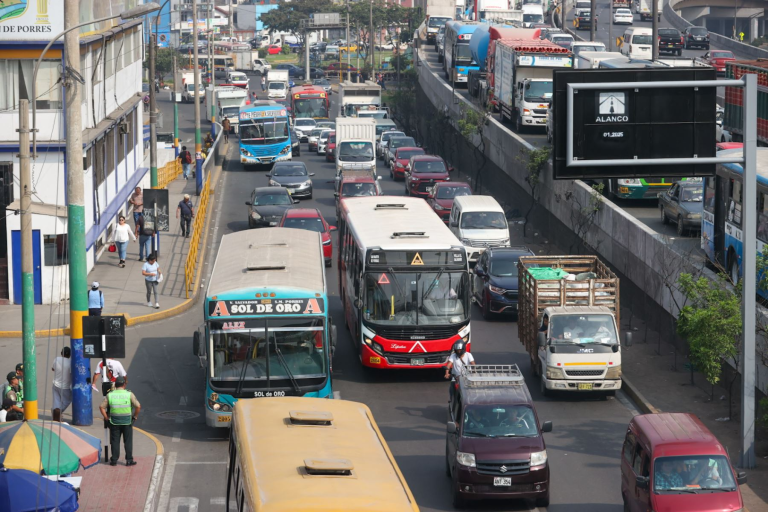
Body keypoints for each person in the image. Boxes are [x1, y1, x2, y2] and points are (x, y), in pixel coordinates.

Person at [99, 376, 141, 467]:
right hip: (127, 422)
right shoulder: (129, 394)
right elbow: (138, 406)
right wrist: (135, 416)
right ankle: (129, 460)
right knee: (128, 441)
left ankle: (114, 460)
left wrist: (106, 417)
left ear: (115, 385)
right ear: (124, 385)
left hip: (114, 422)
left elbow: (101, 407)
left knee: (115, 441)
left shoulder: (110, 394)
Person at [52, 347, 72, 422]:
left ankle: (55, 413)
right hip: (65, 386)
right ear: (70, 355)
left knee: (56, 400)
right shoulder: (70, 362)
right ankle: (57, 413)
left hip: (55, 384)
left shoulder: (56, 359)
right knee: (68, 400)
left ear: (61, 353)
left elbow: (53, 369)